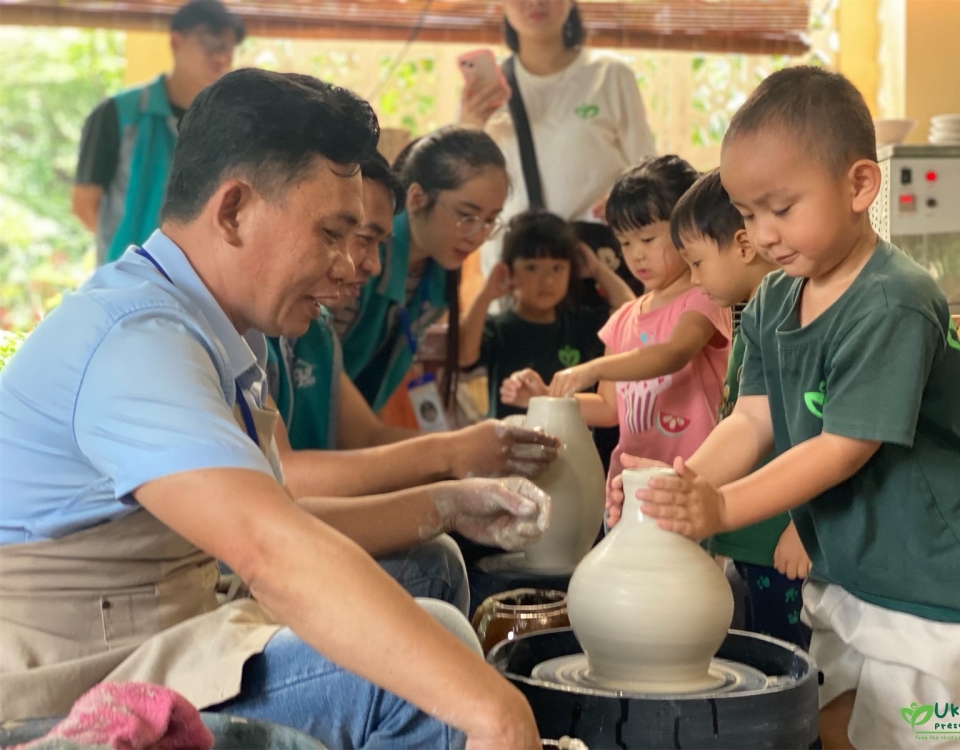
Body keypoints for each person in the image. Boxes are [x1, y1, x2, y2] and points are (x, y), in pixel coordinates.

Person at [0, 69, 546, 749]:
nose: (352, 266)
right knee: (432, 674)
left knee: (428, 568)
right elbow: (268, 549)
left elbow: (276, 515)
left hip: (176, 626)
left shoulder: (221, 330)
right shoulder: (137, 340)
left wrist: (446, 504)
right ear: (233, 210)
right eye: (333, 233)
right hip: (74, 681)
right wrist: (497, 712)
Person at [607, 67, 960, 750]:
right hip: (848, 573)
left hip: (940, 592)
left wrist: (721, 509)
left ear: (859, 186)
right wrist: (680, 487)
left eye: (781, 209)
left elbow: (843, 447)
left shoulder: (893, 301)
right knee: (832, 729)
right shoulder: (773, 299)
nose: (762, 235)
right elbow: (751, 419)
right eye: (746, 214)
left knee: (915, 740)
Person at [267, 148, 559, 502]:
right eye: (352, 237)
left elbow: (367, 437)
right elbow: (283, 478)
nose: (372, 265)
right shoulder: (245, 336)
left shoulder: (318, 330)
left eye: (490, 221)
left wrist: (473, 448)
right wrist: (450, 456)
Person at [502, 156, 731, 492]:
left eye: (647, 239)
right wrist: (546, 398)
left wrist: (593, 368)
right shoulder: (623, 318)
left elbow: (673, 353)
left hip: (695, 480)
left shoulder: (703, 298)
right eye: (625, 242)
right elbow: (609, 408)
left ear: (687, 228)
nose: (636, 254)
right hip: (631, 486)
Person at [669, 168, 811, 649]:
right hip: (749, 533)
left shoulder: (797, 315)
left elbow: (826, 435)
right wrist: (679, 486)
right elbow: (747, 420)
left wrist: (805, 528)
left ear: (743, 246)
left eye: (697, 263)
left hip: (783, 540)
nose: (694, 280)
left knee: (792, 664)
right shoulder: (757, 315)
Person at [459, 0, 655, 282]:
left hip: (596, 263)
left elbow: (648, 174)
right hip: (514, 270)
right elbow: (462, 190)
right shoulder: (487, 92)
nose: (535, 3)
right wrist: (469, 124)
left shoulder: (610, 75)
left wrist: (623, 199)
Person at [337, 126, 508, 414]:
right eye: (467, 216)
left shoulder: (437, 270)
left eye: (490, 220)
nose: (478, 235)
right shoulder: (363, 256)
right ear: (416, 198)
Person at [72, 0, 244, 265]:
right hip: (127, 274)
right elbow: (84, 203)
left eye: (228, 47)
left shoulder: (233, 124)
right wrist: (126, 251)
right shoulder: (117, 113)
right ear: (176, 42)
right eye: (209, 43)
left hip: (205, 278)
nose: (220, 57)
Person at [459, 210, 634, 420]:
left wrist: (597, 269)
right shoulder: (497, 327)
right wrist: (486, 295)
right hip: (512, 437)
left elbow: (632, 317)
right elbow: (464, 356)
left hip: (574, 437)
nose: (547, 280)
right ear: (509, 271)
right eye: (532, 267)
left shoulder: (581, 323)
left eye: (557, 268)